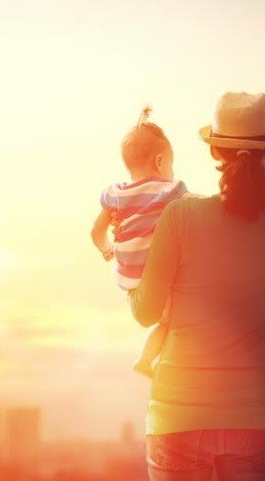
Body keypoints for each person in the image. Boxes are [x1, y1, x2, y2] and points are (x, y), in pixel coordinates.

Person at [128, 92, 265, 481]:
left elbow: (145, 313)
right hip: (254, 416)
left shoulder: (180, 217)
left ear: (214, 152)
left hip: (176, 415)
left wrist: (126, 270)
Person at [91, 106, 189, 377]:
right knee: (170, 322)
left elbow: (96, 232)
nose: (172, 170)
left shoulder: (117, 196)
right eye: (171, 164)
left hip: (131, 284)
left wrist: (106, 249)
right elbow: (198, 204)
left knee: (164, 321)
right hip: (155, 281)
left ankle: (145, 361)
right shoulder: (168, 191)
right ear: (160, 162)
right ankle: (147, 361)